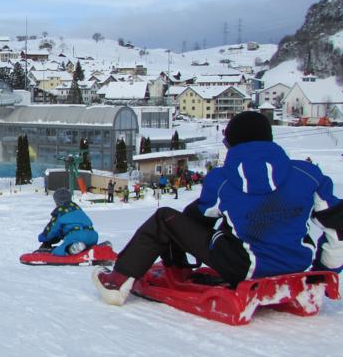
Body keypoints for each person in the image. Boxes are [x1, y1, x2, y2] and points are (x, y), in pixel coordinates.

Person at [93, 111, 343, 306]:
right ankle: (177, 266)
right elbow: (338, 225)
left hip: (243, 268)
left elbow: (197, 220)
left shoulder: (222, 180)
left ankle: (118, 281)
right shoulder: (308, 174)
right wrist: (324, 271)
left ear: (231, 143)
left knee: (165, 219)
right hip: (298, 264)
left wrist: (176, 247)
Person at [36, 188, 99, 256]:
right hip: (93, 235)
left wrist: (43, 236)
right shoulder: (77, 209)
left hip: (76, 236)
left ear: (57, 201)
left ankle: (71, 249)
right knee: (87, 246)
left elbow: (52, 229)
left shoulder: (60, 212)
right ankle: (94, 249)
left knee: (59, 251)